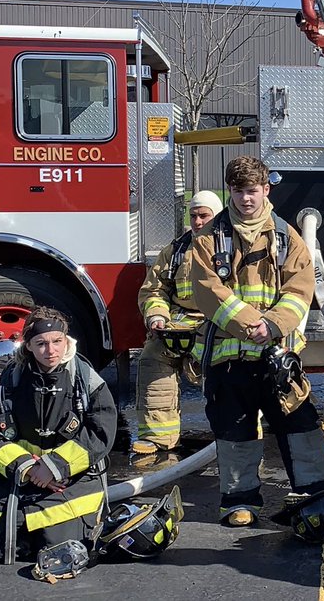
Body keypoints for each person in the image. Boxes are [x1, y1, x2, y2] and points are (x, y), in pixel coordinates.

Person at [189, 156, 324, 528]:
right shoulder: (208, 239)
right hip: (230, 356)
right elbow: (208, 291)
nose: (246, 199)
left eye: (253, 191)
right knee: (234, 430)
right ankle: (240, 501)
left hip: (278, 356)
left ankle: (317, 495)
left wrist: (271, 326)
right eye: (238, 191)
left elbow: (299, 290)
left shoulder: (287, 236)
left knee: (301, 426)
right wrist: (251, 324)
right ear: (230, 192)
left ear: (266, 189)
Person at [0, 306, 116, 563]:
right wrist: (28, 469)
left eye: (57, 341)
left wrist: (54, 467)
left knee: (58, 551)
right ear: (27, 345)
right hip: (22, 479)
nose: (50, 351)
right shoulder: (12, 379)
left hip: (71, 480)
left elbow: (100, 432)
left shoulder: (84, 378)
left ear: (66, 340)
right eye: (40, 343)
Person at [133, 190, 224, 455]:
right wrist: (158, 316)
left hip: (220, 323)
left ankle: (235, 434)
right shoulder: (176, 251)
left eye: (203, 215)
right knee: (152, 358)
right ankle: (158, 437)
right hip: (181, 323)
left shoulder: (232, 248)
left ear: (217, 216)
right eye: (193, 215)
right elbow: (154, 289)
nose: (197, 221)